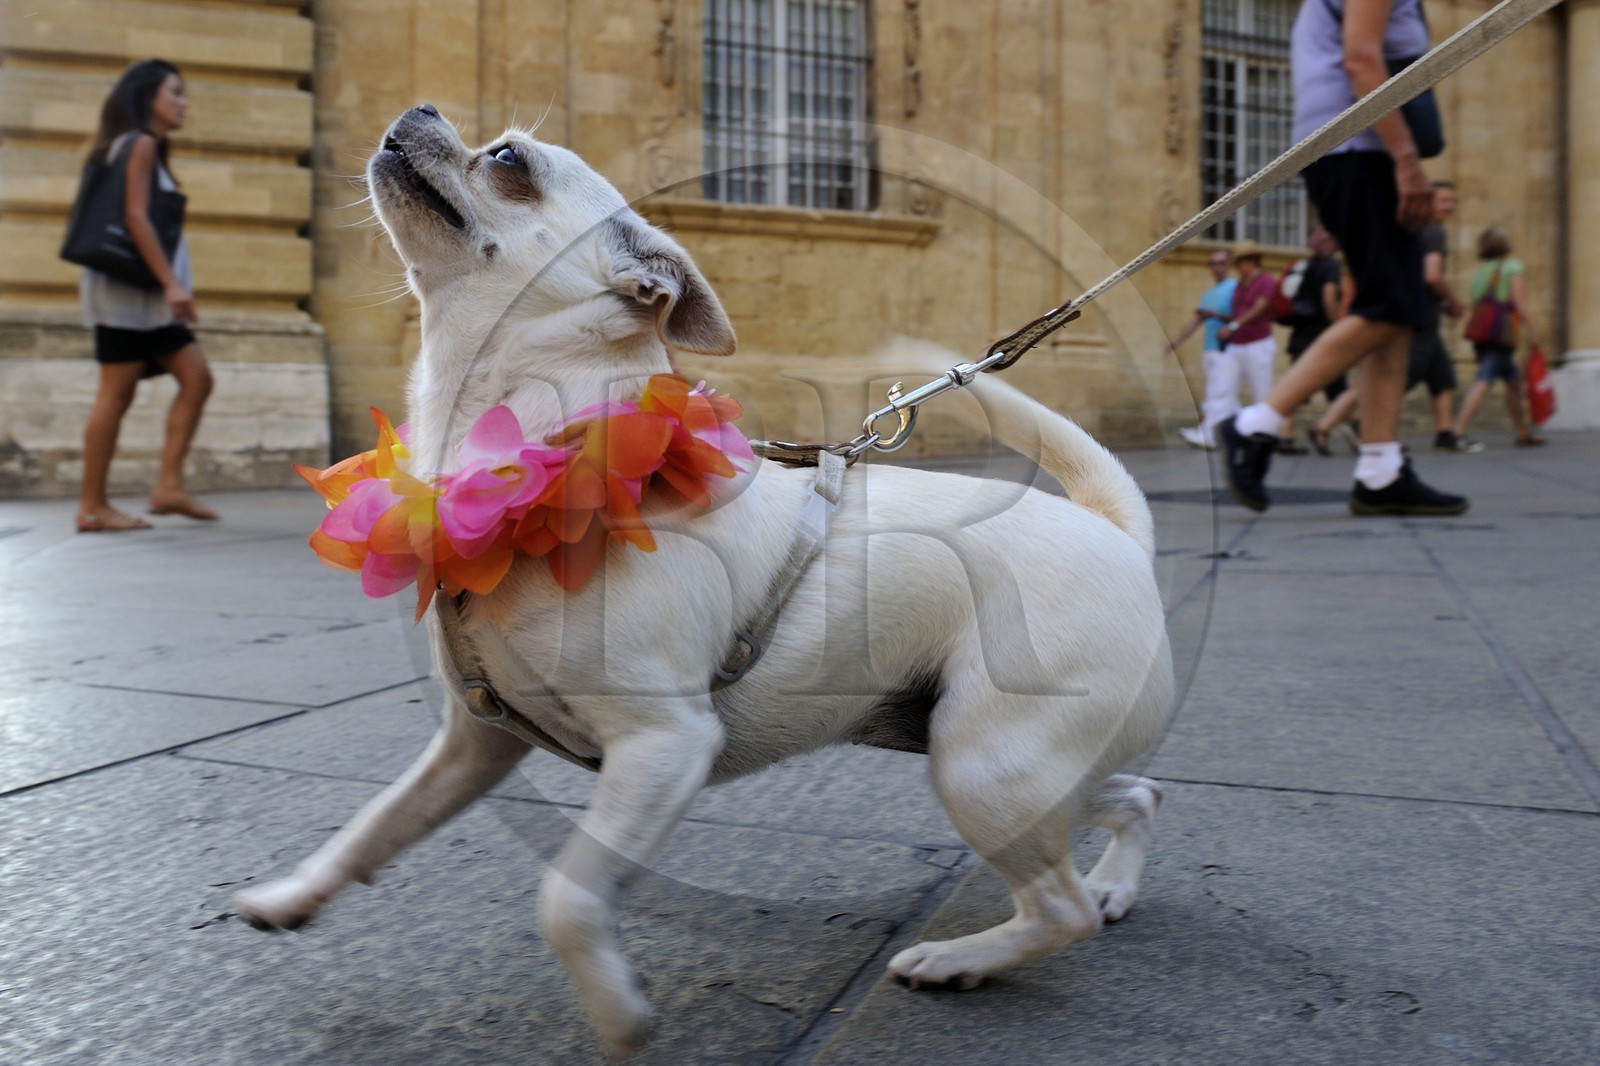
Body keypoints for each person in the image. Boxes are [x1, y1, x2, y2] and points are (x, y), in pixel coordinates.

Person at [1219, 0, 1466, 516]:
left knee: (1393, 312)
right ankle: (1255, 424)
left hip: (1347, 152)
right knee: (1392, 307)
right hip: (1363, 151)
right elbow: (1361, 60)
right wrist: (1406, 161)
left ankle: (1380, 468)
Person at [74, 58, 216, 533]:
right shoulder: (138, 144)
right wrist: (172, 285)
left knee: (195, 378)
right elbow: (136, 218)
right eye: (174, 92)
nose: (183, 102)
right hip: (133, 295)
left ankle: (168, 486)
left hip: (144, 297)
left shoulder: (139, 147)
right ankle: (92, 506)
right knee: (115, 395)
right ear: (146, 98)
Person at [1311, 181, 1474, 453]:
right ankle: (1336, 425)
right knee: (1395, 378)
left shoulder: (1415, 231)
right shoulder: (1433, 231)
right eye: (1443, 200)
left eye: (1453, 201)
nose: (1449, 207)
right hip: (1417, 318)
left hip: (1423, 314)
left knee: (1441, 376)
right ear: (1428, 202)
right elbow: (1431, 274)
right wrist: (1454, 300)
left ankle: (1445, 432)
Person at [1449, 226, 1546, 447]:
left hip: (1481, 335)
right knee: (1484, 379)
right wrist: (1533, 333)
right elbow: (1519, 304)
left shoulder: (1480, 273)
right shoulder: (1512, 267)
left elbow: (1476, 305)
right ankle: (1458, 429)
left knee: (1513, 381)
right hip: (1501, 334)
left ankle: (1522, 431)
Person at [1279, 223, 1346, 453]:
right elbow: (1329, 298)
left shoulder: (1307, 266)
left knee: (1296, 387)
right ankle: (1328, 430)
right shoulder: (1330, 266)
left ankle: (1285, 437)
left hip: (1301, 336)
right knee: (1340, 391)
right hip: (1321, 338)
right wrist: (1338, 325)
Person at [1206, 240, 1280, 443]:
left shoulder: (1265, 281)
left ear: (1252, 261)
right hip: (1237, 345)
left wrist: (1232, 326)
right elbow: (1238, 314)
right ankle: (1215, 436)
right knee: (1222, 390)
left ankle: (1263, 436)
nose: (1237, 267)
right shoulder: (1239, 286)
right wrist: (1225, 322)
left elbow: (1258, 308)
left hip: (1258, 344)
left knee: (1261, 393)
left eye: (1240, 262)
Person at [1167, 248, 1237, 449]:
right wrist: (1177, 340)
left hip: (1226, 348)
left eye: (1221, 263)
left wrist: (1214, 314)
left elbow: (1240, 317)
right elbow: (1196, 320)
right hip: (1210, 348)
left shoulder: (1234, 288)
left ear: (1228, 265)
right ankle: (1220, 434)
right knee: (1219, 394)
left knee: (1218, 394)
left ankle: (1208, 434)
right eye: (1214, 263)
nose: (1217, 268)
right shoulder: (1209, 293)